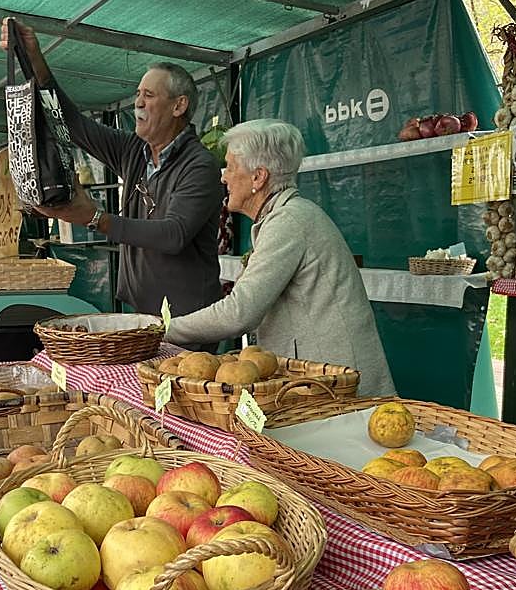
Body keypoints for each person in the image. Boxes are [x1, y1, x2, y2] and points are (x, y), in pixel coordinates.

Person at [0, 20, 223, 333]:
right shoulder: (134, 149)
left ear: (178, 106)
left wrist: (95, 218)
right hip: (143, 311)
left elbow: (173, 236)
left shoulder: (199, 166)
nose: (138, 102)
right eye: (137, 94)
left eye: (149, 95)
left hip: (188, 319)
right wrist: (33, 59)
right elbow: (73, 123)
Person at [166, 120, 396, 397]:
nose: (223, 177)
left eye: (231, 167)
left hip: (339, 383)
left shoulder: (289, 221)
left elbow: (239, 313)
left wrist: (164, 329)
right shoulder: (283, 216)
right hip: (325, 378)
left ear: (258, 177)